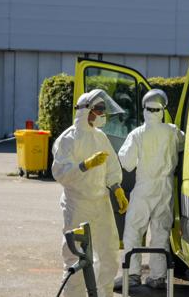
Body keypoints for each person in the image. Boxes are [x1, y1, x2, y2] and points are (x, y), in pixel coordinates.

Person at [52, 89, 130, 297]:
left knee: (109, 255)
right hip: (77, 204)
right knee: (76, 258)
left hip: (101, 202)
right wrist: (84, 165)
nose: (103, 114)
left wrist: (117, 188)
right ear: (86, 111)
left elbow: (112, 166)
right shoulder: (68, 139)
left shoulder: (100, 136)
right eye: (99, 110)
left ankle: (103, 294)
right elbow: (60, 173)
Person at [114, 89, 184, 289]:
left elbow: (126, 161)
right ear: (162, 110)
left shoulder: (138, 134)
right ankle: (158, 277)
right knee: (160, 232)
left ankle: (132, 275)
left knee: (133, 230)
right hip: (166, 188)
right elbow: (183, 144)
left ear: (145, 109)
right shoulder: (172, 131)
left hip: (144, 187)